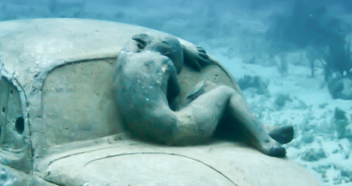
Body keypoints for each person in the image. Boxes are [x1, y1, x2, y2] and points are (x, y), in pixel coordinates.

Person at [113, 31, 293, 156]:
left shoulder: (127, 55)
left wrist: (182, 48)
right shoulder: (164, 63)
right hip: (173, 129)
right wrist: (182, 51)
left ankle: (257, 126)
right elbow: (174, 92)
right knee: (225, 93)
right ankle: (265, 142)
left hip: (147, 125)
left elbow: (142, 40)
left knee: (206, 87)